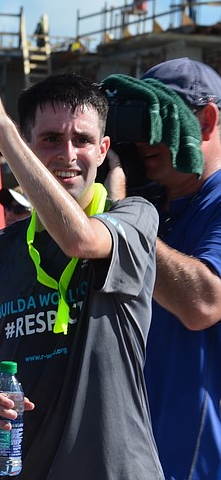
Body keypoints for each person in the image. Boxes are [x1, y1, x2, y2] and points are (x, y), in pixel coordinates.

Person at [0, 35, 164, 478]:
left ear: (103, 151)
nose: (68, 155)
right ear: (27, 149)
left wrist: (1, 127)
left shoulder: (135, 218)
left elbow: (80, 241)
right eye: (49, 139)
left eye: (82, 140)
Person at [136, 57, 221, 479]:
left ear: (206, 120)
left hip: (199, 460)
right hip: (139, 454)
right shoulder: (150, 206)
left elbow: (203, 302)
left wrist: (125, 225)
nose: (143, 138)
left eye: (160, 118)